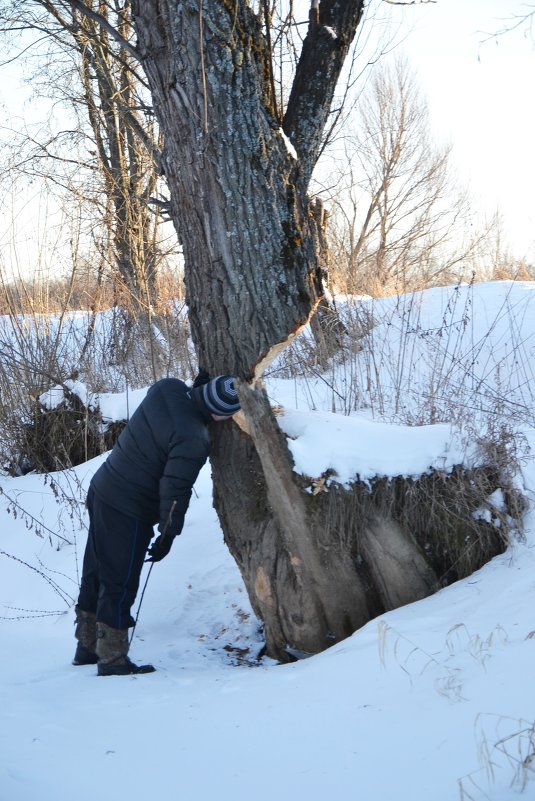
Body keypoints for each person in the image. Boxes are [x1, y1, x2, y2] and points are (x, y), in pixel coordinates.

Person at [72, 374, 240, 676]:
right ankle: (112, 658)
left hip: (102, 488)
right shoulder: (193, 437)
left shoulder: (169, 387)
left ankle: (86, 646)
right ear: (218, 414)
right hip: (129, 508)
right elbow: (175, 491)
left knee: (97, 568)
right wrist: (168, 534)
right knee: (120, 580)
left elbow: (177, 398)